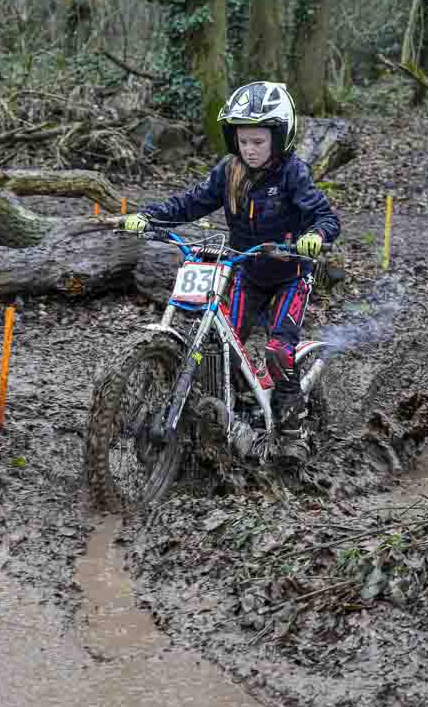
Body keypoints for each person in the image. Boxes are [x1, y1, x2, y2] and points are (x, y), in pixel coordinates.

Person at [123, 81, 340, 461]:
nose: (250, 149)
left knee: (278, 350)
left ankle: (292, 433)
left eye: (258, 141)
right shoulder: (229, 171)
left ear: (279, 137)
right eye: (243, 141)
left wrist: (315, 236)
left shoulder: (293, 173)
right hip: (245, 270)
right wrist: (148, 216)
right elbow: (190, 202)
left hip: (291, 274)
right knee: (220, 347)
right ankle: (230, 414)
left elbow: (325, 216)